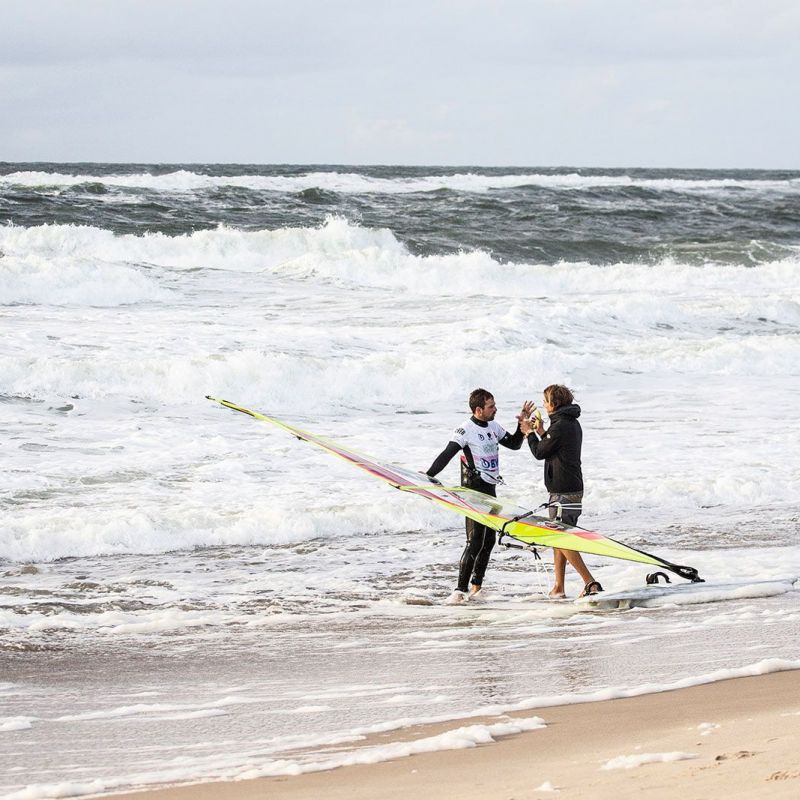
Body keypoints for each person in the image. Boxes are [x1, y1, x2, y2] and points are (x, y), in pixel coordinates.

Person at [426, 388, 533, 604]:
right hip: (473, 492)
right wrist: (428, 476)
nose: (495, 409)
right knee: (474, 540)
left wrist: (522, 426)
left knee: (489, 540)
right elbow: (446, 454)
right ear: (478, 409)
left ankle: (477, 587)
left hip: (491, 491)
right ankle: (459, 590)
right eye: (491, 406)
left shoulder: (493, 426)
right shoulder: (465, 430)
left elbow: (513, 444)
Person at [520, 384, 603, 598]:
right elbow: (553, 445)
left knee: (561, 538)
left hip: (562, 492)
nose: (544, 405)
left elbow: (540, 452)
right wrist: (540, 431)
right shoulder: (569, 423)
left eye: (546, 401)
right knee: (560, 538)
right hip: (572, 488)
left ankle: (590, 583)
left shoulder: (560, 426)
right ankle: (559, 587)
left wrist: (529, 433)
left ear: (554, 404)